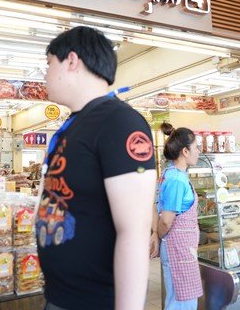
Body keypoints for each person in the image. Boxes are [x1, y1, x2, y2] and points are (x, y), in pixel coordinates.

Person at [37, 26, 157, 310]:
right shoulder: (75, 124)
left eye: (49, 63)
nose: (45, 74)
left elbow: (134, 231)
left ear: (71, 61)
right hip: (60, 296)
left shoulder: (119, 123)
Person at [154, 122, 203, 310]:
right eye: (196, 147)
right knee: (181, 303)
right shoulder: (176, 179)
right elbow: (166, 221)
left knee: (181, 299)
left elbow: (155, 207)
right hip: (178, 250)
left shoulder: (170, 173)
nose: (199, 151)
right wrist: (158, 236)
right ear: (185, 151)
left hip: (181, 250)